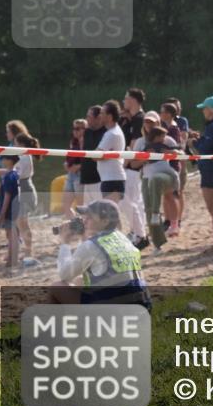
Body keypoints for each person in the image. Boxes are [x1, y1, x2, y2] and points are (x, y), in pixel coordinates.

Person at [52, 199, 150, 309]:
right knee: (80, 280)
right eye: (85, 217)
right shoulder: (123, 239)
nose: (84, 221)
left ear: (105, 221)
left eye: (89, 217)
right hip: (142, 308)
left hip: (115, 315)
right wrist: (84, 236)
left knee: (58, 286)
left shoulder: (91, 245)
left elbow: (64, 274)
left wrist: (65, 242)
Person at [189, 96, 213, 256]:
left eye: (205, 108)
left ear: (211, 110)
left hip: (211, 171)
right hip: (211, 170)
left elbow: (209, 147)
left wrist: (195, 143)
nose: (203, 111)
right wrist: (200, 139)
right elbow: (212, 143)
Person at [119, 88, 147, 248]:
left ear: (133, 100)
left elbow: (134, 144)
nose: (124, 102)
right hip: (129, 164)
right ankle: (136, 230)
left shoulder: (140, 119)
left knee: (131, 201)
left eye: (126, 98)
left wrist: (123, 164)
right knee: (134, 200)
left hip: (132, 166)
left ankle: (139, 234)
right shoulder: (130, 119)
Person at [0, 154, 21, 269]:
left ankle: (12, 260)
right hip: (16, 210)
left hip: (9, 212)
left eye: (3, 158)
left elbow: (7, 197)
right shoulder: (15, 173)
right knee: (13, 235)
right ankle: (12, 258)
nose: (1, 161)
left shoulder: (8, 176)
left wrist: (2, 214)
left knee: (11, 236)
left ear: (9, 161)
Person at [95, 100, 127, 202]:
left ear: (109, 116)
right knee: (108, 215)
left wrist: (103, 156)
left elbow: (95, 156)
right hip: (110, 178)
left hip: (113, 179)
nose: (100, 115)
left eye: (102, 113)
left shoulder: (112, 134)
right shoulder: (112, 132)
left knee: (109, 215)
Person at [80, 105, 105, 201]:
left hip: (99, 180)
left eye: (89, 117)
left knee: (99, 211)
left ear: (98, 118)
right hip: (86, 179)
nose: (86, 119)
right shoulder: (87, 132)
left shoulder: (106, 133)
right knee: (88, 212)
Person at [63, 119, 87, 216]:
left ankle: (83, 226)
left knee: (81, 206)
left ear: (84, 130)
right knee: (66, 205)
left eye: (77, 129)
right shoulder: (73, 141)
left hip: (80, 175)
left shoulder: (87, 142)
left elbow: (90, 161)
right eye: (73, 128)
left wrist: (78, 167)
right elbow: (69, 156)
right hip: (70, 174)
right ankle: (75, 225)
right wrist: (66, 164)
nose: (74, 131)